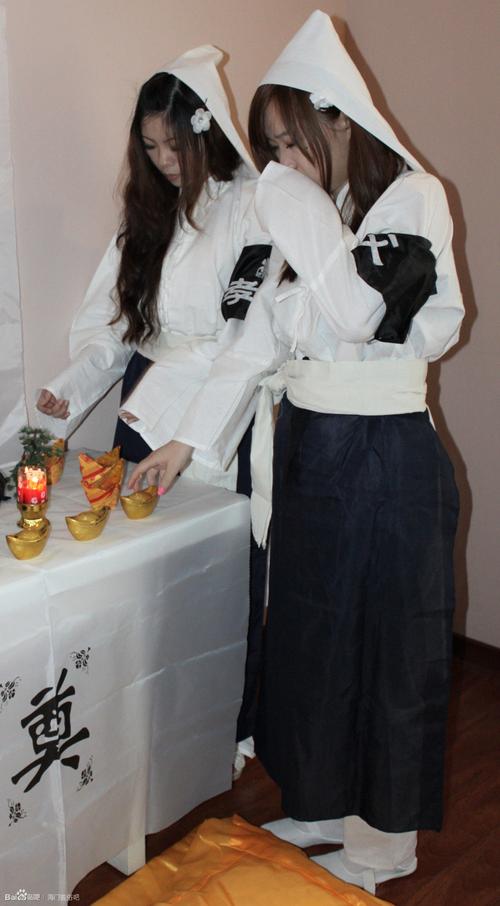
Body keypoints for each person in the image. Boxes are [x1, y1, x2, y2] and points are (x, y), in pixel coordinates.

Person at [127, 10, 464, 895]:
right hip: (310, 445)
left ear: (340, 120)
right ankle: (318, 803)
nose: (280, 161)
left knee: (384, 650)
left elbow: (357, 313)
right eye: (271, 145)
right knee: (311, 639)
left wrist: (290, 201)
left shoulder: (413, 198)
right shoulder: (310, 213)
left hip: (386, 454)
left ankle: (382, 845)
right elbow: (252, 343)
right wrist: (182, 441)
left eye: (290, 140)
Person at [36, 45, 272, 756]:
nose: (165, 161)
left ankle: (225, 731)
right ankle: (146, 733)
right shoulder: (148, 215)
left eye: (175, 144)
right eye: (150, 147)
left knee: (218, 577)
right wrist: (68, 390)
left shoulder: (251, 207)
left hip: (215, 411)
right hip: (145, 407)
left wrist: (189, 438)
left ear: (205, 132)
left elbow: (247, 338)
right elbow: (115, 329)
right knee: (144, 576)